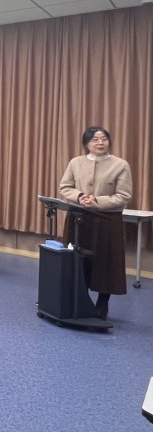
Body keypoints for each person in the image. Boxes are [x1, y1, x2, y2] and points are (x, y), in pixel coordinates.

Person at [59, 126, 132, 321]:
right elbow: (65, 187)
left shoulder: (120, 164)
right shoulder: (75, 162)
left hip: (107, 220)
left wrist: (98, 201)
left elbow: (124, 196)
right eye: (95, 139)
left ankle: (102, 302)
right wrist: (80, 196)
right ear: (86, 144)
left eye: (104, 139)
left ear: (109, 142)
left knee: (105, 261)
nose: (100, 143)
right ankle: (78, 298)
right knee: (77, 260)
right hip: (79, 218)